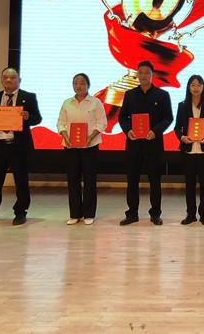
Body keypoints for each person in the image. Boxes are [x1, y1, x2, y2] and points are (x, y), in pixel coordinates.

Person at [0, 67, 42, 226]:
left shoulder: (28, 97)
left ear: (19, 80)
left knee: (21, 181)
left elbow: (37, 118)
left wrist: (28, 116)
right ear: (1, 80)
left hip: (18, 146)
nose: (8, 80)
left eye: (12, 78)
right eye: (5, 77)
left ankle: (20, 212)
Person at [118, 61, 173, 226]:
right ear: (137, 74)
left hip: (153, 144)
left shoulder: (162, 95)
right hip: (134, 143)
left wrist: (155, 131)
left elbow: (168, 118)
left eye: (147, 72)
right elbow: (122, 117)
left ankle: (155, 214)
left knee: (155, 180)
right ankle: (132, 213)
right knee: (132, 180)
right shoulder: (129, 95)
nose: (143, 75)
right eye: (140, 72)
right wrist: (128, 130)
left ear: (152, 75)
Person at [56, 73, 106, 225]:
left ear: (88, 85)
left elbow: (102, 122)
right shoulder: (67, 103)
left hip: (90, 146)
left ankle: (89, 213)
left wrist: (90, 137)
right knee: (73, 180)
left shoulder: (95, 102)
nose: (79, 86)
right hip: (70, 146)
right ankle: (75, 214)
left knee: (90, 180)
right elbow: (61, 123)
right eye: (76, 83)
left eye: (82, 83)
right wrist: (65, 136)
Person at [174, 75, 204, 225]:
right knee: (189, 185)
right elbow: (177, 128)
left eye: (198, 85)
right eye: (193, 85)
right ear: (189, 87)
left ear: (203, 87)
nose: (195, 88)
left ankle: (203, 215)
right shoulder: (182, 106)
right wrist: (182, 137)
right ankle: (191, 214)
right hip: (188, 151)